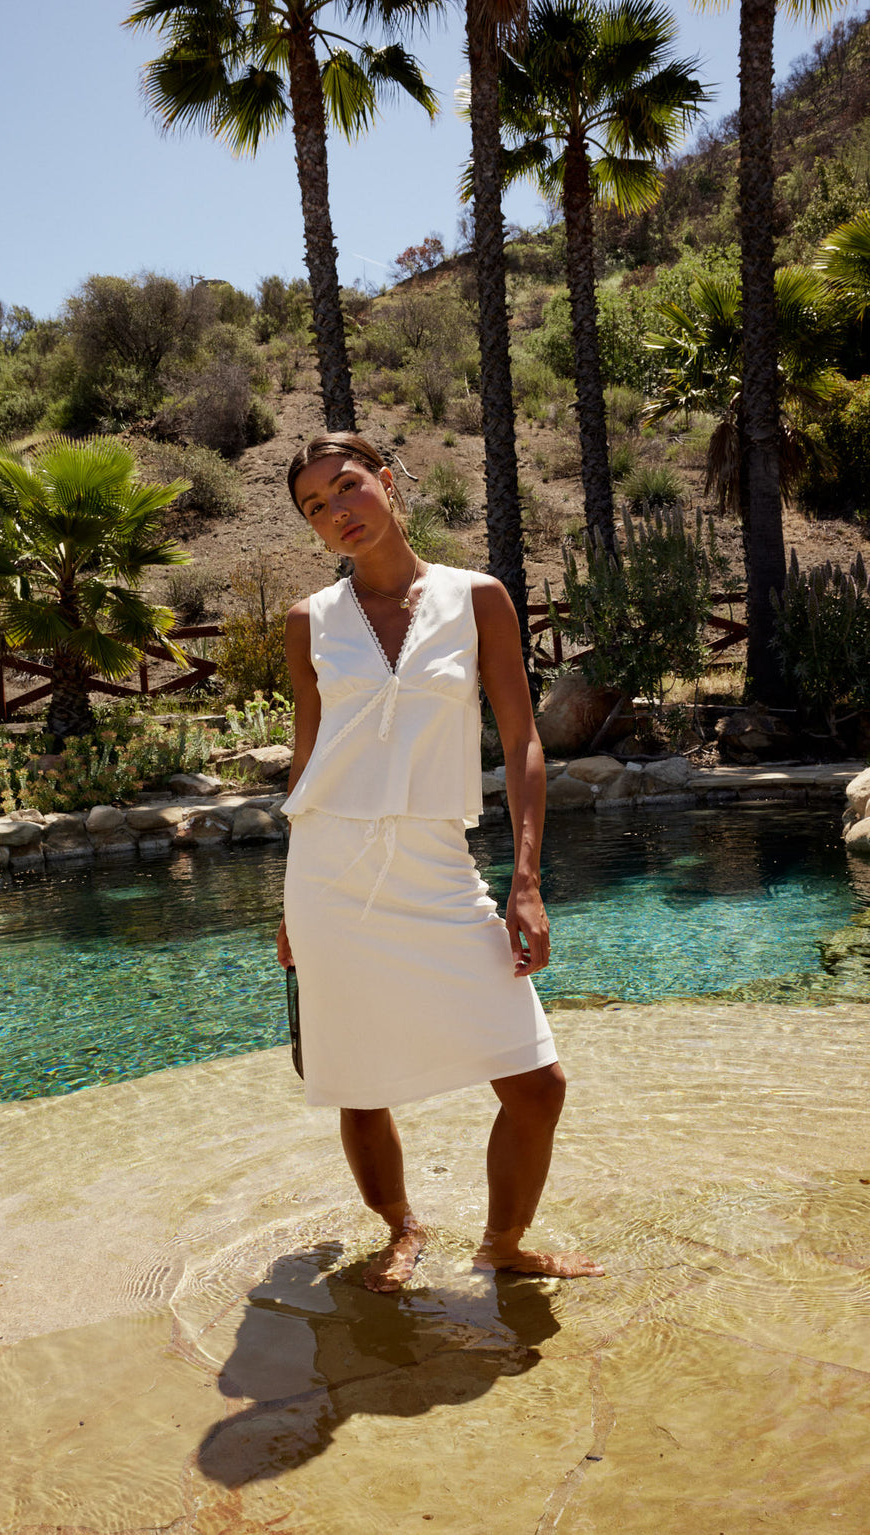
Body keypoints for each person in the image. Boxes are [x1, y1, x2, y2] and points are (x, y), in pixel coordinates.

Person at [276, 433, 603, 1293]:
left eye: (348, 486)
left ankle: (505, 1242)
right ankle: (401, 1228)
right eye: (316, 506)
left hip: (437, 861)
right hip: (329, 870)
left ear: (387, 481)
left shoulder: (477, 598)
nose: (337, 511)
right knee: (358, 1079)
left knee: (537, 1083)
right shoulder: (310, 620)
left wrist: (526, 880)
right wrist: (287, 902)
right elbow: (306, 762)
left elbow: (522, 740)